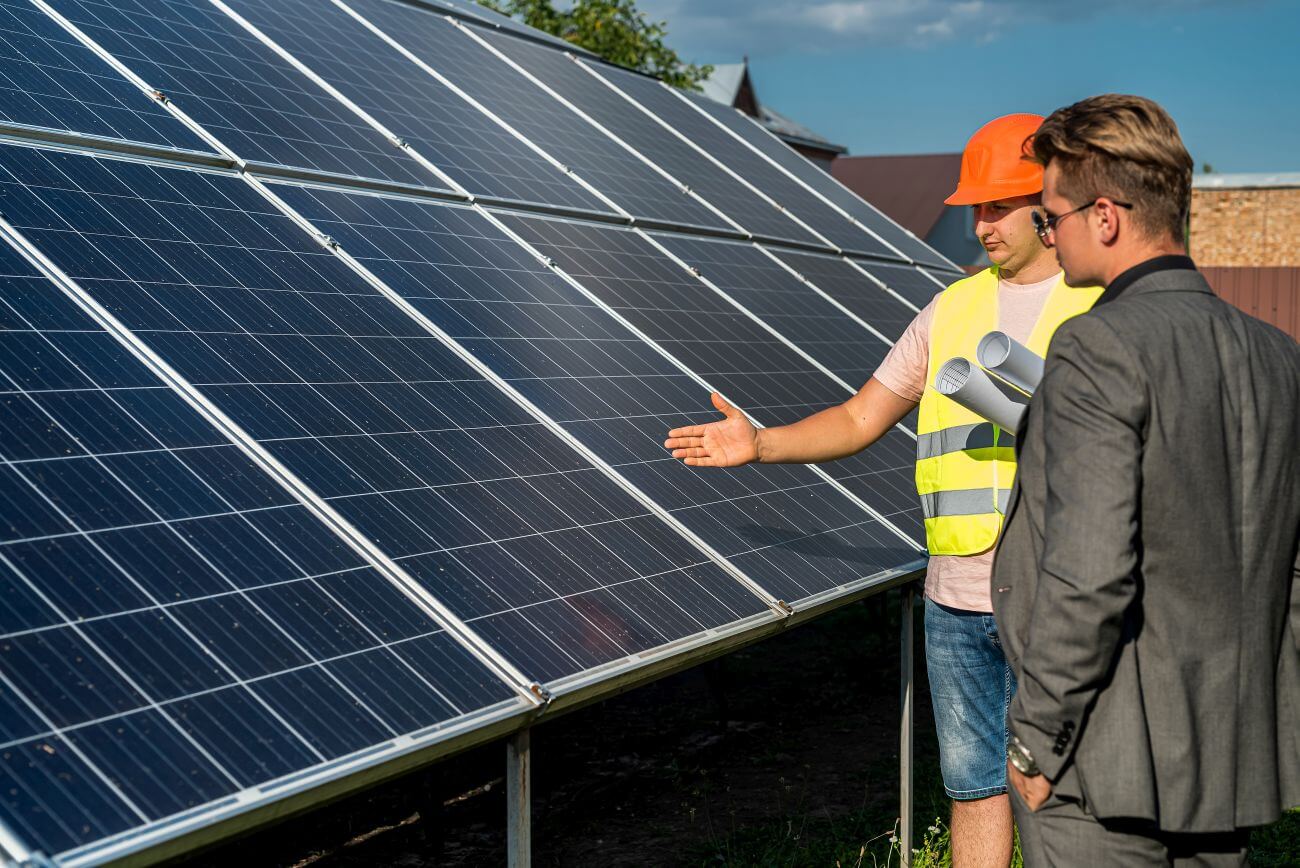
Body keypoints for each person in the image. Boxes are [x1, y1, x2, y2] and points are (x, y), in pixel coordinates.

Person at [663, 114, 1102, 867]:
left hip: (1055, 598)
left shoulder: (1098, 305)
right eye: (974, 208)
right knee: (972, 788)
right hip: (955, 597)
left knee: (1059, 789)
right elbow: (863, 415)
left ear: (1047, 201)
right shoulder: (953, 307)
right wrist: (761, 442)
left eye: (997, 206)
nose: (980, 224)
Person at [993, 93, 1300, 866]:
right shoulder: (1278, 356)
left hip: (1099, 761)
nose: (1046, 235)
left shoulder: (1096, 346)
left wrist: (1036, 739)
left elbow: (1089, 574)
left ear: (1104, 217)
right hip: (1229, 756)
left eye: (1049, 217)